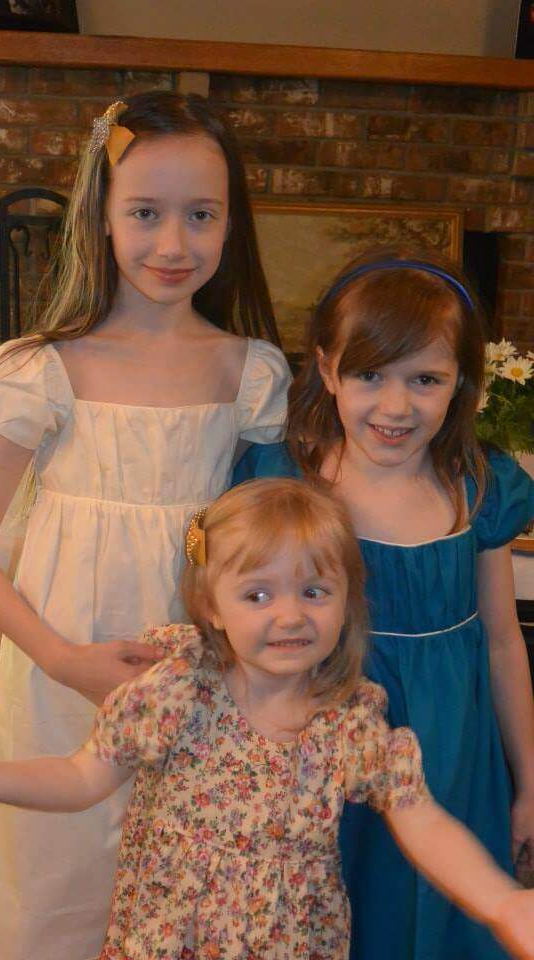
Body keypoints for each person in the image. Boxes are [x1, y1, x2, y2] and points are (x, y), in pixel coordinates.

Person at [0, 92, 291, 960]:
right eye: (145, 213)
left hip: (199, 672)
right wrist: (66, 660)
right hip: (57, 664)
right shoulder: (40, 370)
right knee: (53, 882)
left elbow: (273, 534)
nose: (174, 243)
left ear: (233, 225)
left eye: (202, 215)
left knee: (187, 885)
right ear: (101, 218)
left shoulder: (250, 373)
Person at [0, 477, 534, 960]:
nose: (290, 615)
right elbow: (78, 779)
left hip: (293, 943)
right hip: (164, 937)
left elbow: (422, 820)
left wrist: (501, 899)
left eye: (315, 591)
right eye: (258, 594)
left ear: (347, 602)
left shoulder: (350, 722)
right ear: (213, 606)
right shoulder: (176, 690)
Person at [232, 250, 534, 960]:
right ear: (327, 369)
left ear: (462, 383)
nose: (397, 407)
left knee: (441, 908)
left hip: (451, 748)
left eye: (425, 380)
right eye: (370, 375)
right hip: (318, 737)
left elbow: (501, 642)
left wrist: (529, 783)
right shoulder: (288, 478)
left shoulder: (477, 486)